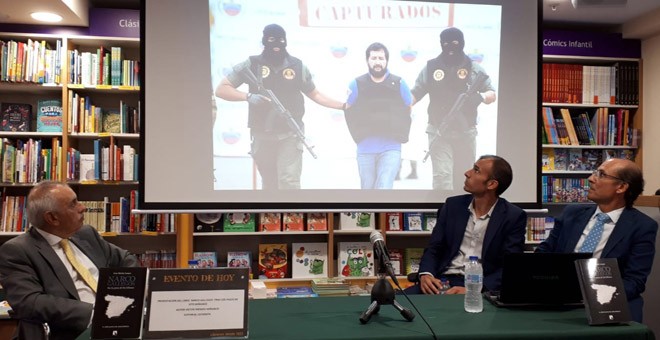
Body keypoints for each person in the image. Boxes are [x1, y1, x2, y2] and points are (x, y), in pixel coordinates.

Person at [0, 181, 138, 340]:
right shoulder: (18, 250)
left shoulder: (86, 233)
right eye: (73, 204)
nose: (83, 207)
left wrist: (124, 296)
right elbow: (30, 302)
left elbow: (126, 259)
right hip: (72, 331)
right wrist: (97, 312)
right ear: (52, 218)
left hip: (119, 322)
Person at [215, 24, 344, 189]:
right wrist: (247, 97)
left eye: (281, 40)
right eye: (271, 40)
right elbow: (222, 89)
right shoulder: (252, 64)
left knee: (288, 182)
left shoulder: (297, 66)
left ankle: (292, 215)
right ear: (264, 41)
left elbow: (316, 94)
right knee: (269, 183)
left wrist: (343, 106)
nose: (277, 44)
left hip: (290, 133)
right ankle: (271, 216)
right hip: (262, 134)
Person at [536, 158, 658, 323]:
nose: (591, 178)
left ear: (621, 187)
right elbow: (543, 254)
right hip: (559, 298)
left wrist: (593, 295)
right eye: (595, 172)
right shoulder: (572, 214)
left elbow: (634, 281)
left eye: (601, 174)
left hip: (606, 302)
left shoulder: (642, 226)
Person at [406, 155, 526, 294]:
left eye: (476, 170)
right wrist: (426, 274)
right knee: (391, 303)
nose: (467, 173)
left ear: (491, 184)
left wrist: (474, 290)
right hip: (442, 281)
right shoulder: (453, 206)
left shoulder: (513, 216)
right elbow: (434, 248)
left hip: (481, 287)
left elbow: (510, 267)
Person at [411, 27, 496, 191]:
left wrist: (480, 97)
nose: (450, 47)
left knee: (466, 179)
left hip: (466, 132)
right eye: (445, 43)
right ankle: (444, 213)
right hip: (438, 131)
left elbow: (491, 93)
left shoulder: (473, 68)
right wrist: (401, 107)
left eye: (455, 43)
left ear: (462, 43)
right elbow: (415, 93)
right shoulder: (430, 67)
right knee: (442, 179)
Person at [344, 42, 413, 189]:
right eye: (374, 58)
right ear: (367, 60)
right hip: (365, 148)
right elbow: (348, 109)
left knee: (384, 187)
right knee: (367, 191)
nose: (377, 62)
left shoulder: (399, 83)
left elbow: (408, 106)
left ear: (386, 60)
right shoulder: (356, 84)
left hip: (391, 147)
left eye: (381, 58)